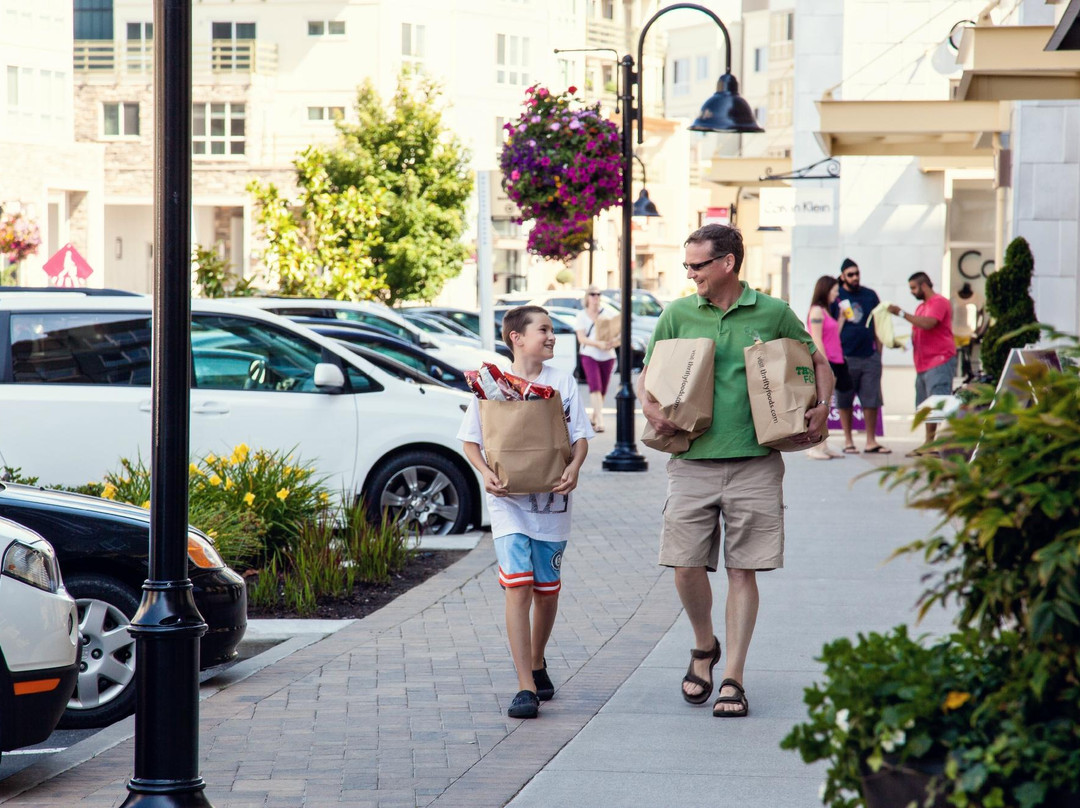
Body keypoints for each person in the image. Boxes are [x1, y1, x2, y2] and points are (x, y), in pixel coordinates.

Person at [637, 224, 832, 718]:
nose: (690, 274)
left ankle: (733, 678)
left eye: (697, 266)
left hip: (755, 462)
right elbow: (648, 376)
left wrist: (822, 407)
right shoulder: (678, 313)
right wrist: (650, 407)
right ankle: (705, 646)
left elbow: (818, 364)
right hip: (691, 461)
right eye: (687, 266)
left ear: (727, 263)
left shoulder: (773, 312)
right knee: (684, 566)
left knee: (743, 570)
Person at [457, 305, 593, 720]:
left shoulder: (561, 382)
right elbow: (471, 441)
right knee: (518, 587)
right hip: (509, 504)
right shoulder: (490, 386)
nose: (551, 337)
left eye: (552, 330)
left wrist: (573, 469)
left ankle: (537, 659)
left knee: (546, 592)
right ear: (516, 338)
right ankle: (525, 686)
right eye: (544, 330)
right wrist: (484, 474)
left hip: (553, 503)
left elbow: (581, 436)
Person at [888, 272, 956, 456]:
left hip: (940, 360)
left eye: (913, 287)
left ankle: (937, 444)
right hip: (923, 364)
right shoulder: (921, 307)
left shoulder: (939, 302)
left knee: (938, 404)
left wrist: (901, 313)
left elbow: (929, 323)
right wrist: (900, 343)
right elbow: (917, 330)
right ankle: (929, 443)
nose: (912, 292)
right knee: (925, 406)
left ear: (924, 285)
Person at [831, 258, 890, 454]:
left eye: (857, 273)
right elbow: (828, 327)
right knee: (844, 399)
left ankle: (871, 441)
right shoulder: (836, 295)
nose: (855, 277)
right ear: (843, 277)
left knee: (871, 399)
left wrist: (878, 353)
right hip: (845, 358)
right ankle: (848, 441)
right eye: (850, 274)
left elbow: (879, 323)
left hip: (869, 356)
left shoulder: (870, 295)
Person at [805, 275, 851, 460]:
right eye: (835, 290)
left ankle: (823, 445)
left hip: (836, 359)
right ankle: (815, 446)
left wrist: (840, 320)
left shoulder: (825, 311)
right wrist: (825, 367)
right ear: (826, 289)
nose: (837, 293)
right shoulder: (816, 311)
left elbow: (832, 336)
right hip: (828, 362)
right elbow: (816, 339)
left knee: (828, 403)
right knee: (823, 403)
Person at [574, 285, 618, 432]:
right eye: (592, 294)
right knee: (595, 387)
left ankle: (594, 415)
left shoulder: (609, 313)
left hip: (608, 356)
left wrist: (613, 342)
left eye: (598, 294)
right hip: (589, 354)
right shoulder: (581, 315)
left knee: (603, 390)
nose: (596, 297)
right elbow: (581, 338)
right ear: (587, 297)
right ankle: (599, 421)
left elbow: (620, 331)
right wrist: (597, 344)